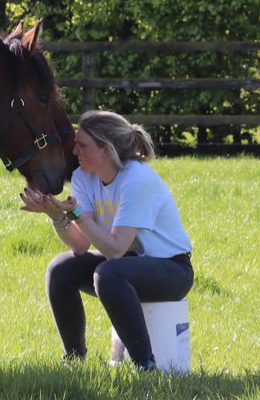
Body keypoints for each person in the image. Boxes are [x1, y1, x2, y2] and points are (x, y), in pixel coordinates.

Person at [19, 110, 193, 371]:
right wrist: (57, 216)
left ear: (105, 150)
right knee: (60, 269)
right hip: (127, 264)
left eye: (82, 145)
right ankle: (75, 360)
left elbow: (115, 249)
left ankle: (145, 365)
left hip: (172, 270)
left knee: (108, 274)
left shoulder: (137, 180)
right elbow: (80, 245)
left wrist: (74, 213)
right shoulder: (83, 177)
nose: (74, 151)